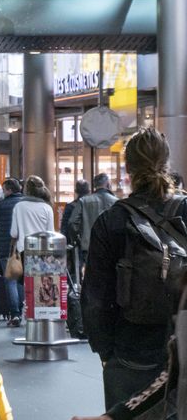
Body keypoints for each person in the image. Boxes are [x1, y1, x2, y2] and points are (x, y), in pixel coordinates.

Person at [83, 128, 187, 412]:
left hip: (131, 349)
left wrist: (107, 353)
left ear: (127, 168)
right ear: (167, 163)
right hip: (182, 347)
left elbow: (95, 299)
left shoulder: (112, 220)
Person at [7, 175, 54, 327]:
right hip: (44, 251)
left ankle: (29, 314)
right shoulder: (47, 207)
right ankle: (41, 315)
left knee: (27, 284)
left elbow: (14, 232)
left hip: (24, 249)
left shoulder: (19, 207)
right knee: (42, 284)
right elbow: (51, 232)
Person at [0, 178, 24, 326]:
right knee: (21, 279)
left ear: (8, 190)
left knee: (11, 280)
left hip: (5, 247)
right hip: (25, 247)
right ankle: (22, 308)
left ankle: (15, 314)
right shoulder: (25, 203)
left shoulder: (1, 204)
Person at [69, 173, 118, 267]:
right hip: (111, 246)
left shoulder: (84, 201)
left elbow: (72, 222)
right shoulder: (116, 201)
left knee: (92, 274)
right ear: (108, 184)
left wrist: (78, 239)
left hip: (89, 246)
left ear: (94, 186)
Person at [60, 179, 91, 253]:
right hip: (89, 241)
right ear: (89, 191)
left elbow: (64, 226)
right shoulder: (91, 205)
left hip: (73, 242)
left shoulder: (70, 206)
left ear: (75, 191)